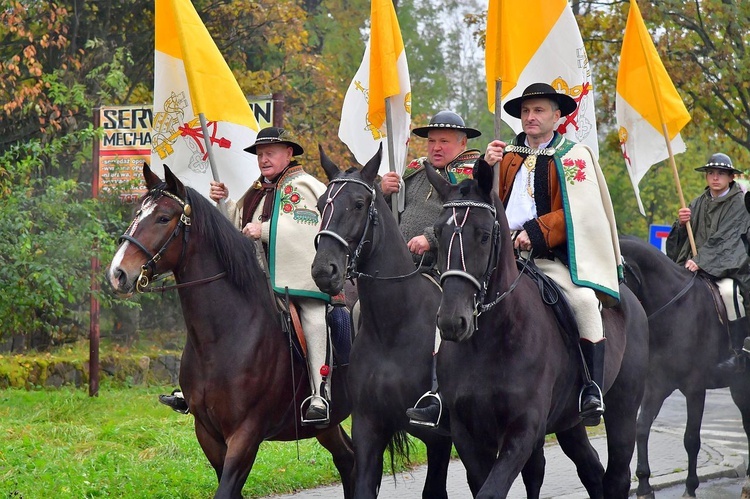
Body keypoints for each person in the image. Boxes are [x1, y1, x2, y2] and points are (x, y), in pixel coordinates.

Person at [159, 126, 333, 425]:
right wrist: (223, 203)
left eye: (270, 153)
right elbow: (234, 230)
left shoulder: (305, 185)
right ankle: (193, 388)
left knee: (314, 317)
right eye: (260, 154)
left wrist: (264, 230)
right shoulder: (255, 191)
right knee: (208, 314)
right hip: (254, 280)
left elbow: (311, 227)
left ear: (288, 153)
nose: (264, 159)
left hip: (296, 280)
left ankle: (320, 394)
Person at [481, 82, 623, 426]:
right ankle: (439, 390)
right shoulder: (506, 154)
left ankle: (591, 388)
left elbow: (581, 212)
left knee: (585, 303)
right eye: (526, 111)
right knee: (453, 295)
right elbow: (481, 199)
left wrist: (536, 232)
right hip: (500, 255)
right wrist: (485, 168)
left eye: (539, 110)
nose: (531, 117)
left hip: (549, 258)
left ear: (557, 116)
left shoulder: (574, 157)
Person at [382, 110, 482, 427]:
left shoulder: (470, 177)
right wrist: (382, 191)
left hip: (445, 271)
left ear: (462, 143)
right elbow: (382, 216)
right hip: (401, 271)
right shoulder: (413, 172)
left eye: (445, 141)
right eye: (432, 141)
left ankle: (437, 394)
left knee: (442, 316)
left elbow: (466, 223)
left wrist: (429, 238)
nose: (436, 147)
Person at [666, 153, 750, 374]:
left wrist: (701, 261)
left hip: (727, 268)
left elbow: (728, 239)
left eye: (720, 174)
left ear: (731, 177)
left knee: (731, 294)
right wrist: (682, 224)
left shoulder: (740, 204)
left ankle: (737, 350)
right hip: (694, 265)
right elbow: (679, 242)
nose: (715, 178)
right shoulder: (697, 202)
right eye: (711, 173)